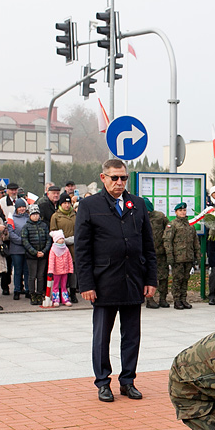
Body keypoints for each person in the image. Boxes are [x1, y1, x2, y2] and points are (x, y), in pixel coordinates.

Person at [76, 159, 158, 402]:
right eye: (115, 178)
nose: (120, 182)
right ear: (103, 178)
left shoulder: (138, 205)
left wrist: (150, 278)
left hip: (133, 279)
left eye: (123, 178)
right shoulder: (90, 205)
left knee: (132, 335)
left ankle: (128, 381)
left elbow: (148, 246)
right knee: (102, 336)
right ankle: (103, 382)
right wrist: (86, 284)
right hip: (103, 282)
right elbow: (81, 249)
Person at [163, 202, 199, 310]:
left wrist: (197, 255)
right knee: (177, 279)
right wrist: (170, 256)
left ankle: (184, 299)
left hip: (188, 257)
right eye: (180, 211)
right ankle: (177, 300)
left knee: (185, 279)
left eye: (184, 210)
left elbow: (195, 242)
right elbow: (167, 241)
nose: (183, 212)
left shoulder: (190, 225)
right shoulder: (172, 224)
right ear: (176, 212)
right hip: (177, 258)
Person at [22, 203, 52, 306]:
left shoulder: (43, 225)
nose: (36, 216)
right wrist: (34, 252)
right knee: (32, 275)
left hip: (43, 254)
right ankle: (32, 293)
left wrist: (44, 251)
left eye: (37, 214)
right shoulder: (26, 226)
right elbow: (25, 241)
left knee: (40, 275)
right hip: (31, 256)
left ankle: (39, 293)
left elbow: (48, 239)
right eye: (33, 214)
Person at [50, 192, 78, 303]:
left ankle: (73, 292)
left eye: (68, 203)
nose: (67, 205)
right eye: (64, 203)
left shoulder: (74, 214)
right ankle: (60, 292)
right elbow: (52, 231)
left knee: (72, 271)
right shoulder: (56, 216)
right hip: (60, 248)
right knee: (60, 272)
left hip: (73, 247)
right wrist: (62, 240)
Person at [146, 199, 170, 308]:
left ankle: (163, 298)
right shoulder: (138, 216)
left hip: (161, 252)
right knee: (149, 276)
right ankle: (149, 299)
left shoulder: (160, 217)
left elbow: (168, 230)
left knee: (163, 276)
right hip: (146, 254)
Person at [6, 198, 30, 300]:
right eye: (20, 207)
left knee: (27, 271)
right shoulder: (12, 219)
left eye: (23, 207)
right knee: (17, 270)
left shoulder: (29, 218)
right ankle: (17, 290)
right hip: (16, 249)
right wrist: (22, 241)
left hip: (27, 249)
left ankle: (28, 289)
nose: (22, 209)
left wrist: (28, 243)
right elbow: (11, 233)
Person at [47, 229, 74, 306]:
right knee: (55, 285)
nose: (62, 240)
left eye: (62, 238)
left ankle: (65, 299)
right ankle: (55, 299)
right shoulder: (53, 250)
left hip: (64, 271)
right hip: (56, 271)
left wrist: (70, 270)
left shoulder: (66, 249)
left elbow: (69, 259)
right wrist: (50, 271)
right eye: (59, 239)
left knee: (64, 286)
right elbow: (51, 261)